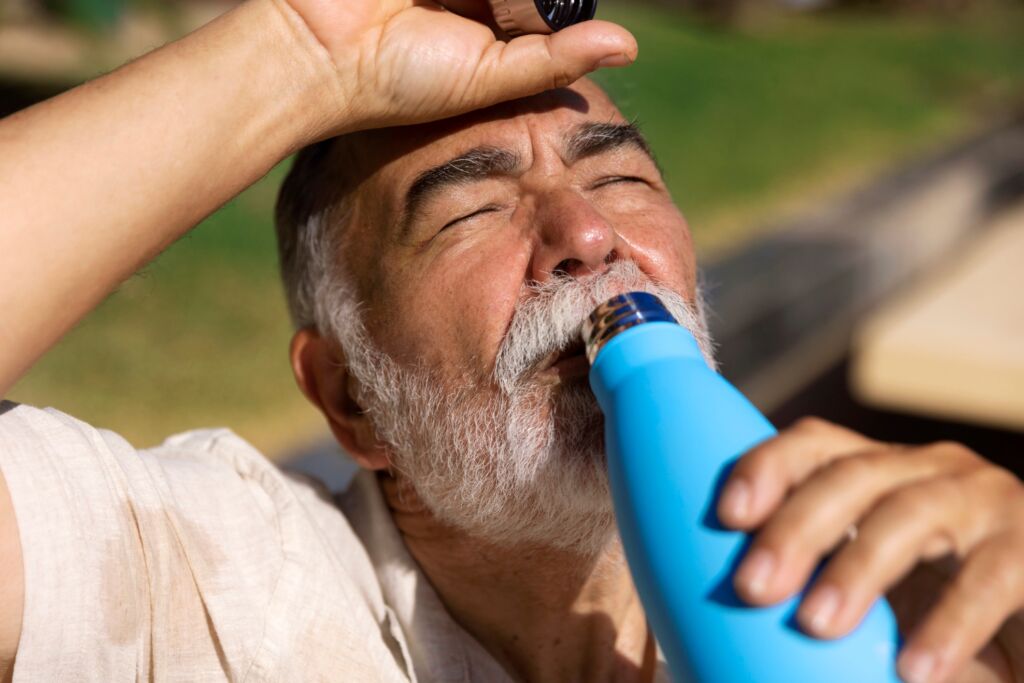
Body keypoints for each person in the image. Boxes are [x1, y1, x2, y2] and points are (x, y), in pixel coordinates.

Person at [0, 0, 1021, 681]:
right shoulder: (203, 579)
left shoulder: (892, 591)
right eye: (469, 212)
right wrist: (299, 53)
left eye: (618, 179)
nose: (585, 235)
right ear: (350, 397)